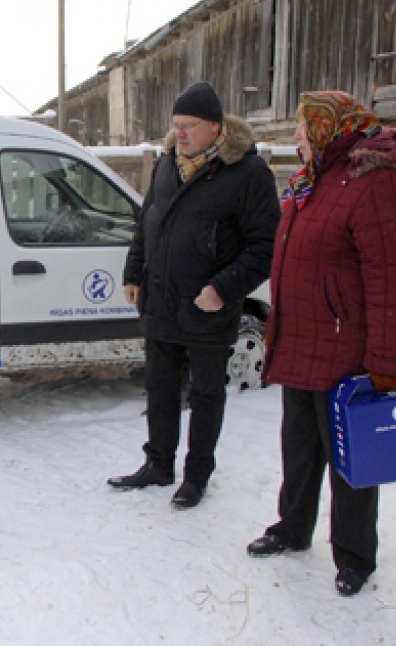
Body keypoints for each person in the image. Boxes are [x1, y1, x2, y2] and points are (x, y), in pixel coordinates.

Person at [246, 91, 396, 596]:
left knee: (352, 463)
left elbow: (392, 281)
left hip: (347, 355)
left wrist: (389, 365)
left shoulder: (377, 184)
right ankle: (292, 528)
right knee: (299, 450)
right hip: (302, 342)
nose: (297, 138)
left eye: (304, 128)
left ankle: (354, 556)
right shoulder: (314, 181)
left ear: (330, 127)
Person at [109, 81, 281, 509]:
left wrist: (223, 289)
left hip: (208, 304)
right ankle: (159, 464)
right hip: (162, 296)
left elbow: (265, 246)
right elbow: (148, 220)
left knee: (205, 395)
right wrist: (134, 271)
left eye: (188, 126)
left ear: (216, 128)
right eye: (176, 125)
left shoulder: (247, 173)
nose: (179, 133)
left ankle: (197, 474)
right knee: (160, 388)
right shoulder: (168, 162)